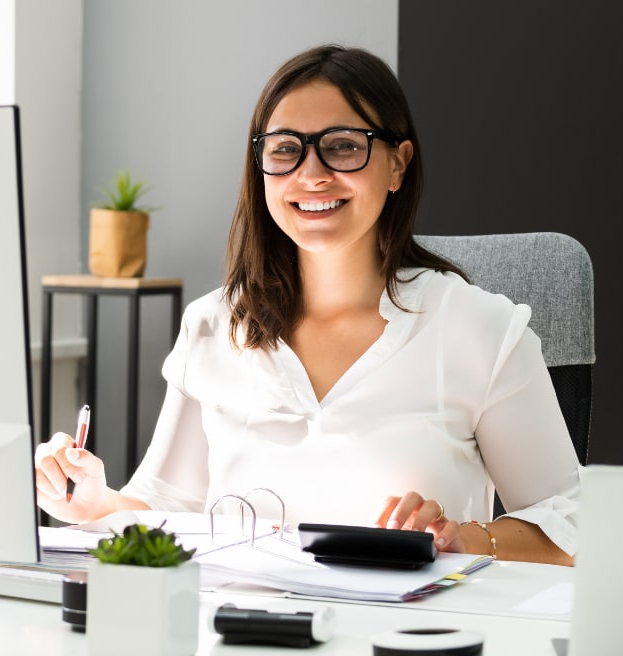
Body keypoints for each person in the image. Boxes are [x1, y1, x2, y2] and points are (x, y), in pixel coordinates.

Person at [36, 44, 580, 566]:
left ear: (398, 164)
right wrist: (94, 503)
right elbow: (167, 507)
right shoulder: (212, 324)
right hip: (239, 640)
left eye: (343, 145)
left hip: (405, 643)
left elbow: (575, 523)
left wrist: (461, 537)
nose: (312, 174)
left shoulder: (480, 329)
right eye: (285, 148)